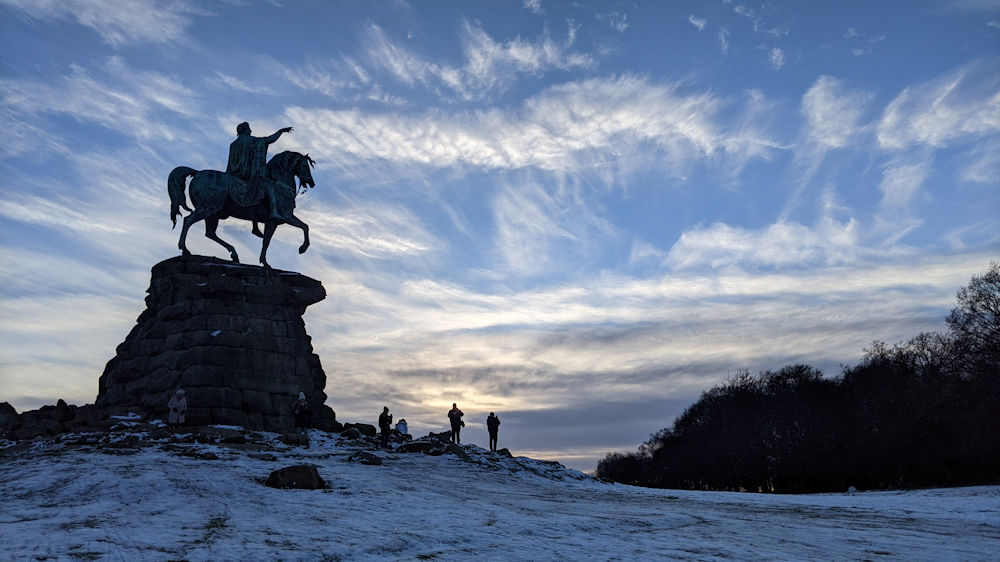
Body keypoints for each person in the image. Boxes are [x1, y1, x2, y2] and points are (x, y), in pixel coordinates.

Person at [226, 121, 293, 221]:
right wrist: (281, 131)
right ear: (245, 130)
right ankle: (274, 212)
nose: (251, 131)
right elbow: (270, 139)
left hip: (233, 174)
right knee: (268, 187)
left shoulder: (233, 144)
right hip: (248, 174)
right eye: (249, 129)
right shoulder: (252, 140)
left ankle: (255, 225)